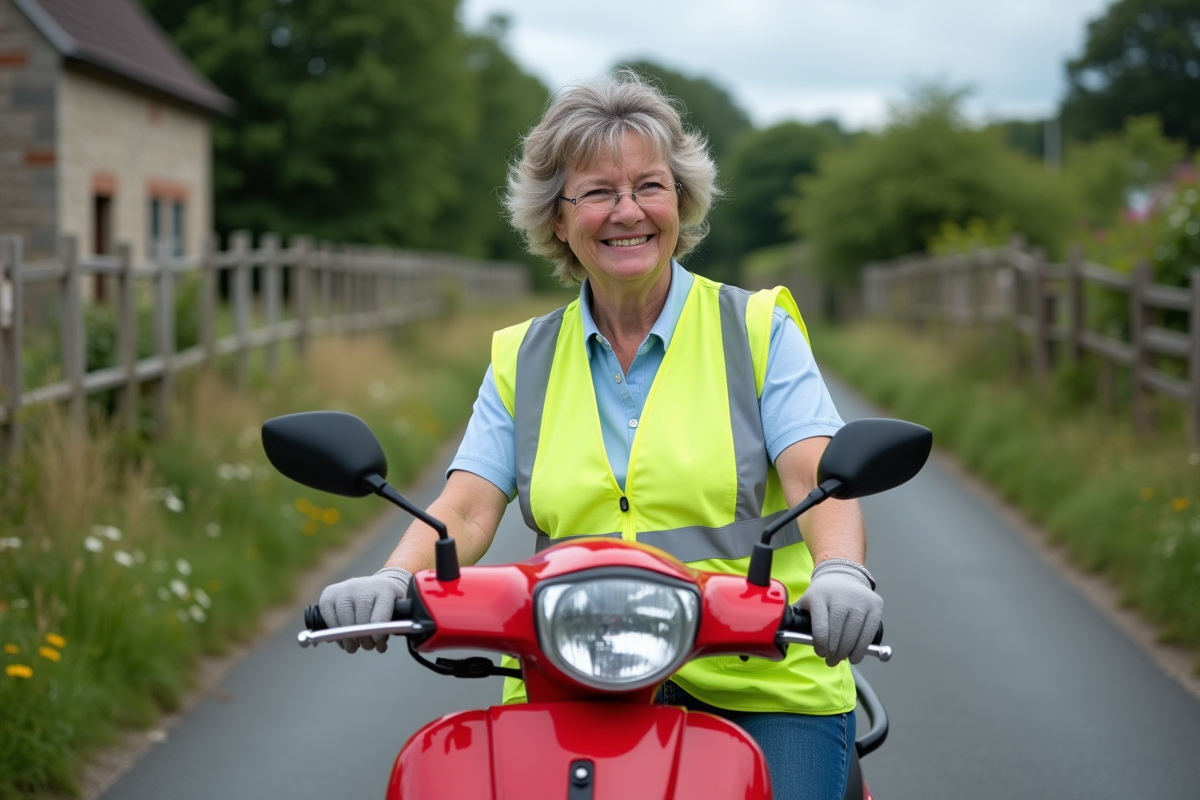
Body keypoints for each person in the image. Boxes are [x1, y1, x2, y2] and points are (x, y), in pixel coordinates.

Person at [317, 70, 882, 800]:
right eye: (598, 192)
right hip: (566, 680)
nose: (628, 211)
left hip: (761, 678)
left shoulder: (757, 329)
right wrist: (393, 578)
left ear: (680, 200)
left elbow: (818, 472)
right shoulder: (523, 356)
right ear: (557, 217)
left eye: (650, 186)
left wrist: (841, 572)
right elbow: (465, 509)